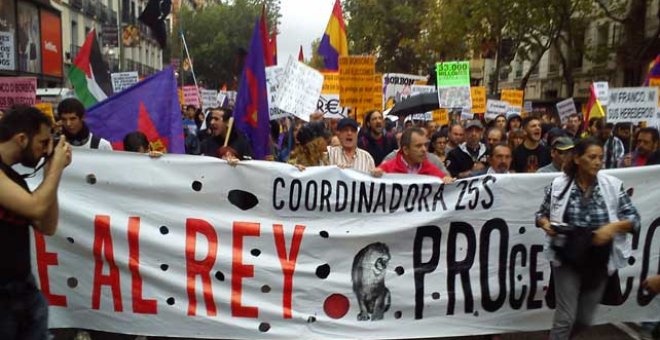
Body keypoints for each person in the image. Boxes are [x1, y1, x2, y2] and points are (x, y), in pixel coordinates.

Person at [535, 137, 640, 340]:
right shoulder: (558, 185)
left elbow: (634, 220)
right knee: (565, 316)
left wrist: (613, 227)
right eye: (592, 157)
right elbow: (540, 214)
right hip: (567, 254)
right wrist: (546, 225)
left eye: (600, 158)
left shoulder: (612, 186)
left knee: (583, 318)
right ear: (576, 159)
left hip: (598, 258)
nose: (598, 162)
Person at [0, 106, 72, 340]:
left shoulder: (13, 178)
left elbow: (46, 225)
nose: (46, 150)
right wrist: (56, 168)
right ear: (21, 139)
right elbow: (36, 207)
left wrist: (52, 171)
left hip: (22, 289)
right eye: (42, 142)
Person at [378, 127, 451, 182]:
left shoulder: (431, 168)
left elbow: (445, 179)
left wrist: (446, 180)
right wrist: (375, 175)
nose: (424, 149)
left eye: (425, 145)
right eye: (418, 146)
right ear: (406, 150)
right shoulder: (387, 168)